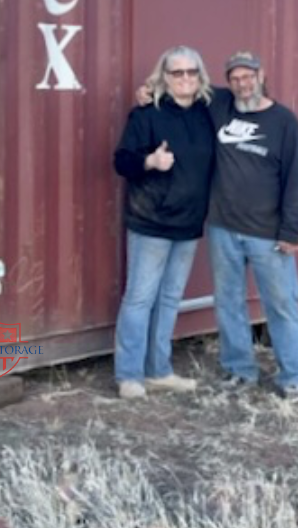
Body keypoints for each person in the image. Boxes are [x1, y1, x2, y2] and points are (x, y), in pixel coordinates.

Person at [112, 45, 216, 400]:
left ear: (200, 77)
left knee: (170, 299)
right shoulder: (146, 114)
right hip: (151, 221)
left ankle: (159, 371)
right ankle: (129, 376)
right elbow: (122, 161)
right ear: (164, 77)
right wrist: (150, 162)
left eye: (192, 73)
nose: (185, 79)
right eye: (177, 73)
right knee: (140, 299)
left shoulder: (209, 112)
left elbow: (246, 92)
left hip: (189, 224)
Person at [207, 51, 298, 397]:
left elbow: (297, 180)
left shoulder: (284, 122)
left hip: (269, 234)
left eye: (248, 76)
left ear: (261, 75)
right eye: (235, 78)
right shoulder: (221, 105)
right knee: (228, 302)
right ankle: (240, 369)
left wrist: (291, 232)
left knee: (281, 304)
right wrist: (148, 91)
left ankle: (293, 375)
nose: (242, 84)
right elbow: (184, 86)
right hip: (223, 227)